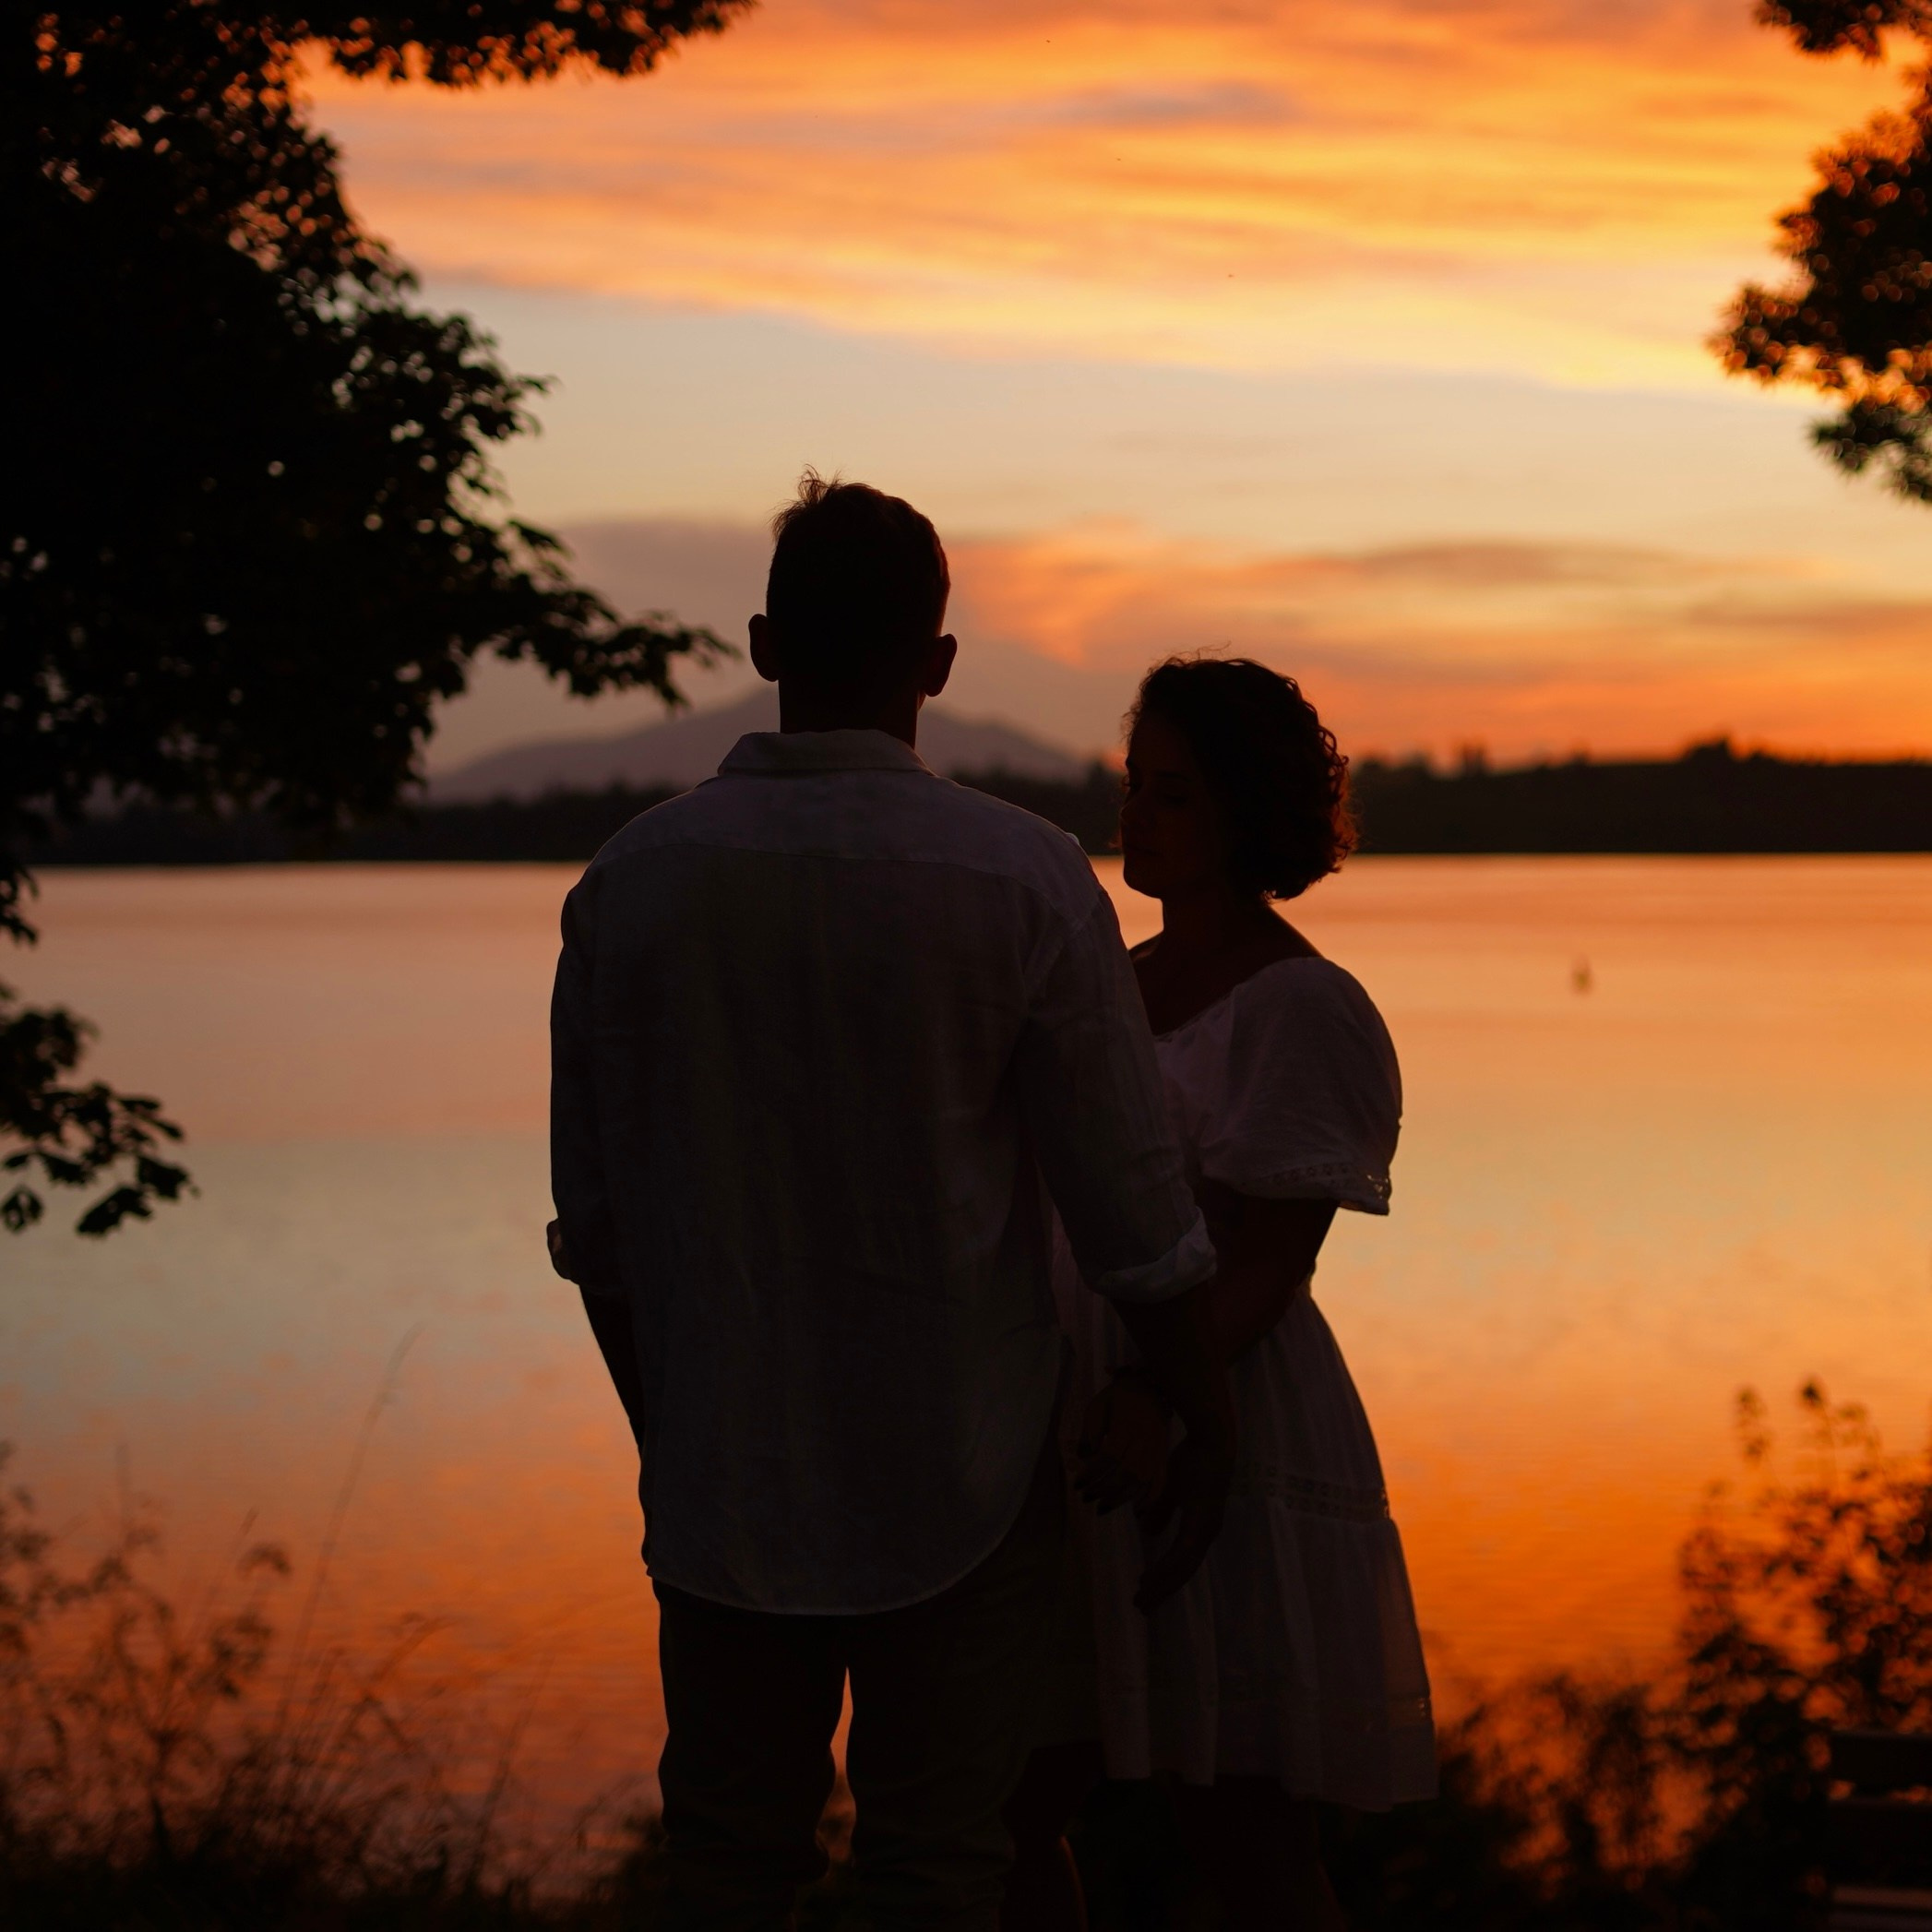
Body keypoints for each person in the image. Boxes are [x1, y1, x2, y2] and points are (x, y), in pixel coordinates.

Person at [546, 476, 1236, 1931]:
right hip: (965, 1472)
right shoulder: (1028, 876)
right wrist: (1196, 1412)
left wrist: (671, 1435)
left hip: (725, 1478)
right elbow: (1132, 1208)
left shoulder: (629, 884)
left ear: (760, 643)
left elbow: (596, 1234)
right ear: (935, 666)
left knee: (730, 1863)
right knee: (940, 1863)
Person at [1006, 656, 1437, 1931]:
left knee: (1239, 1823)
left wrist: (1163, 1389)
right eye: (1135, 785)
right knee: (1010, 1802)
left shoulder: (1301, 1002)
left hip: (1219, 1398)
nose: (1136, 816)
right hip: (1066, 1411)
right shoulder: (1100, 983)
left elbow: (1267, 1254)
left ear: (1247, 812)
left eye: (1175, 794)